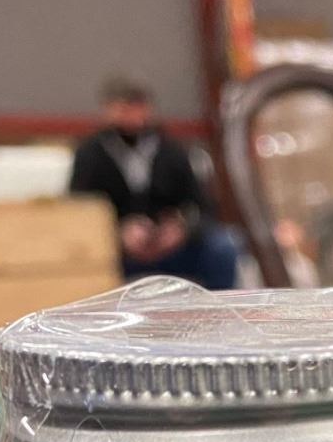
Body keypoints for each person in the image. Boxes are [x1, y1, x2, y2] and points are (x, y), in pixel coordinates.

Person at [70, 77, 239, 289]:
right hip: (116, 252)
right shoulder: (90, 154)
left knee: (223, 244)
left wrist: (182, 229)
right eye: (123, 107)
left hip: (171, 246)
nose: (130, 114)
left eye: (136, 106)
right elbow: (78, 209)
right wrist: (117, 232)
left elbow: (202, 206)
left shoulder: (171, 150)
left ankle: (219, 305)